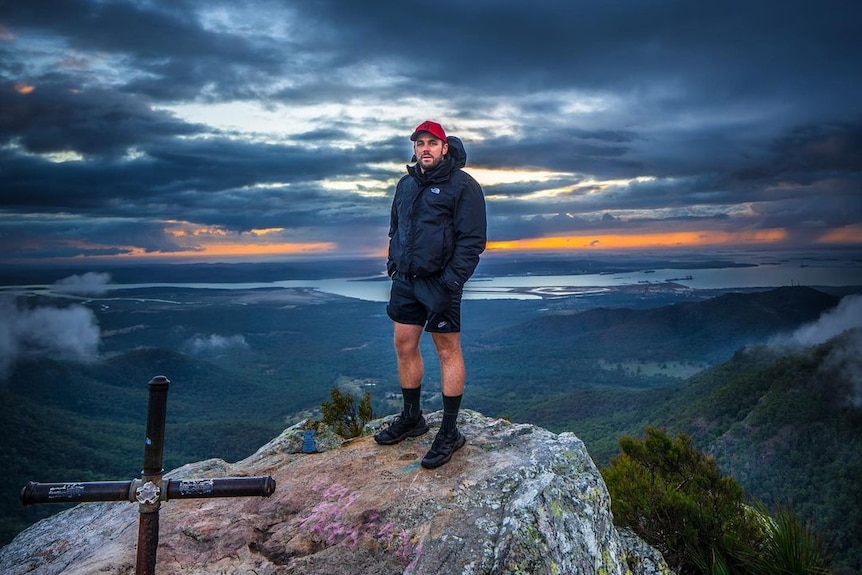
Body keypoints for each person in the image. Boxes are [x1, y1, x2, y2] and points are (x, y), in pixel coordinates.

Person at [374, 120, 487, 469]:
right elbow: (396, 228)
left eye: (432, 143)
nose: (425, 148)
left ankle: (450, 431)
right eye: (420, 143)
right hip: (406, 280)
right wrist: (394, 264)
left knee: (447, 350)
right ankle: (412, 418)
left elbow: (472, 241)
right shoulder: (405, 185)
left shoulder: (463, 186)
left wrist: (450, 282)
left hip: (441, 283)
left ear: (445, 148)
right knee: (404, 344)